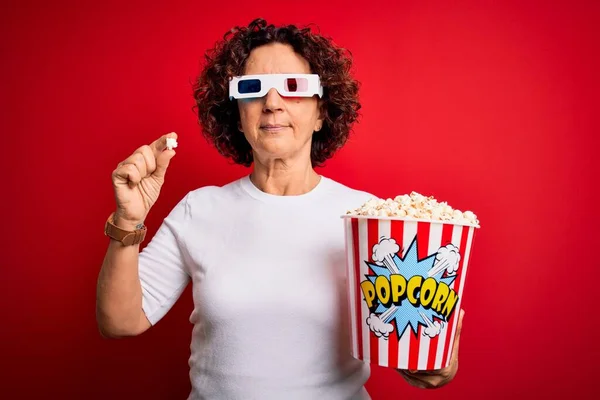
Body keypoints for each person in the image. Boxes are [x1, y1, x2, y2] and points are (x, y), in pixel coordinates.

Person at [96, 18, 464, 399]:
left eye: (293, 87)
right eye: (252, 90)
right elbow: (120, 321)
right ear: (237, 116)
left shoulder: (368, 218)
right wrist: (128, 220)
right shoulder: (200, 209)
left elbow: (411, 332)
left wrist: (436, 363)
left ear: (322, 112)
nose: (272, 103)